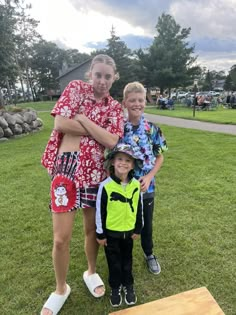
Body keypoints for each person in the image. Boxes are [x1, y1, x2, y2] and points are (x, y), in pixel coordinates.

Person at [40, 54, 124, 315]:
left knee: (91, 231)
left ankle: (90, 272)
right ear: (90, 73)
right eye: (98, 74)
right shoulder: (75, 88)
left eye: (107, 76)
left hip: (96, 174)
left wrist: (85, 120)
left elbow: (112, 141)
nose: (102, 80)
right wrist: (99, 130)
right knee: (60, 238)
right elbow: (60, 122)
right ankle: (61, 288)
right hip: (66, 169)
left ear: (114, 77)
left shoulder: (114, 107)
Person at [120, 82, 168, 275]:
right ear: (125, 103)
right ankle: (125, 255)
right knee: (124, 221)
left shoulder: (152, 129)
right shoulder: (119, 129)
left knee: (146, 223)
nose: (137, 104)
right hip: (124, 187)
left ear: (145, 102)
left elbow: (160, 156)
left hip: (146, 188)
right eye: (132, 100)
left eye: (140, 100)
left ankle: (149, 254)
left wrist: (149, 177)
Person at [96, 143, 143, 307]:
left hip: (129, 233)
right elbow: (100, 212)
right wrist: (100, 234)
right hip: (111, 235)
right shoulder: (105, 186)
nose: (123, 163)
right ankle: (115, 287)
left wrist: (138, 228)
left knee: (127, 260)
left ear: (132, 165)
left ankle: (128, 285)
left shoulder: (136, 185)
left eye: (128, 160)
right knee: (114, 262)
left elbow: (138, 207)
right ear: (113, 162)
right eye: (120, 159)